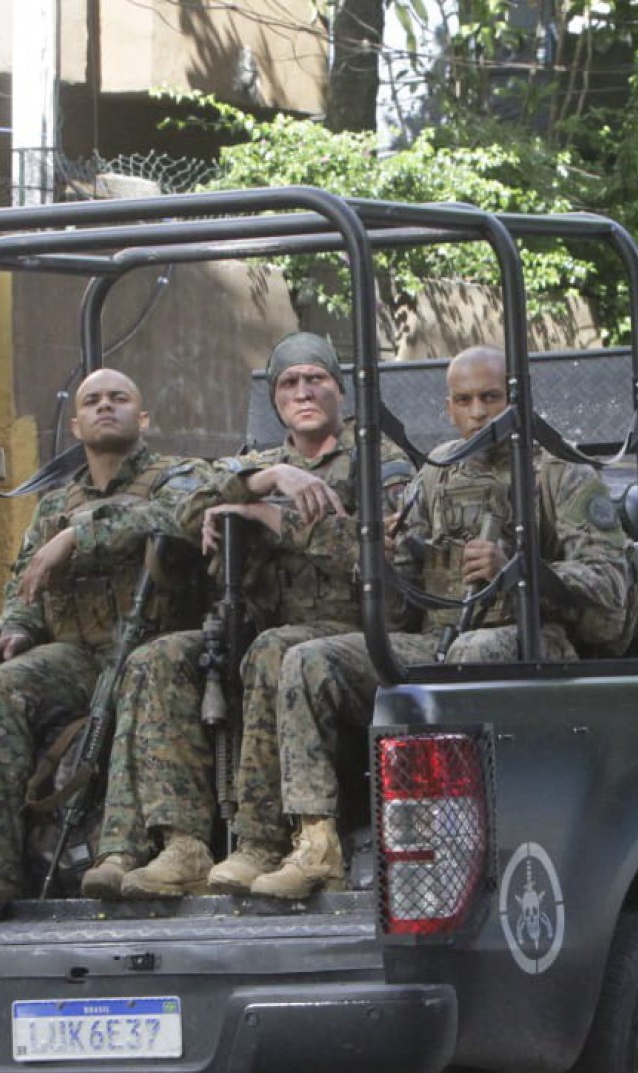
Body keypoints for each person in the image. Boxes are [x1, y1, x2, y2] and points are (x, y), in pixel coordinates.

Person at [243, 345, 636, 901]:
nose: (479, 412)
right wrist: (386, 559)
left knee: (467, 657)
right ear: (448, 408)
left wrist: (521, 572)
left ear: (516, 400)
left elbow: (610, 586)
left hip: (533, 643)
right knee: (310, 660)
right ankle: (316, 843)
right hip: (440, 638)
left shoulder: (561, 474)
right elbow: (404, 593)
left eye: (492, 398)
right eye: (466, 400)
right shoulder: (437, 472)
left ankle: (457, 845)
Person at [86, 332, 410, 900]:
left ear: (341, 390)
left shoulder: (380, 462)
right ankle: (182, 845)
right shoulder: (259, 461)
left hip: (353, 632)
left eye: (316, 380)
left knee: (273, 651)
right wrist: (264, 482)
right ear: (274, 397)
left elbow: (385, 559)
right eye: (289, 383)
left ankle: (262, 841)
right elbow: (185, 508)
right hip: (260, 626)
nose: (303, 392)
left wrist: (263, 515)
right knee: (158, 659)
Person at [0, 368, 205, 922]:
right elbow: (25, 585)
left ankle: (117, 853)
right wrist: (16, 632)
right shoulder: (55, 502)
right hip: (78, 655)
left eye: (119, 398)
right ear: (78, 425)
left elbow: (177, 517)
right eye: (92, 401)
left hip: (160, 651)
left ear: (143, 417)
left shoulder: (178, 476)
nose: (106, 407)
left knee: (136, 672)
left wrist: (80, 535)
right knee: (3, 689)